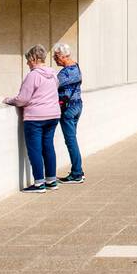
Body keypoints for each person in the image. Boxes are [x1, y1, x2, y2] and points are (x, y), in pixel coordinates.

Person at [4, 44, 61, 192]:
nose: (28, 63)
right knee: (48, 147)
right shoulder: (53, 74)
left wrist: (9, 100)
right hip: (53, 115)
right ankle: (51, 181)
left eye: (28, 60)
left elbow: (22, 99)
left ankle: (39, 184)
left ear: (34, 58)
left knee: (35, 149)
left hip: (35, 118)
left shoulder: (33, 75)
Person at [53, 43, 85, 184]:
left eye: (55, 57)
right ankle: (78, 171)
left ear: (62, 56)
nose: (54, 59)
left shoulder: (66, 73)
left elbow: (51, 85)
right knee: (72, 140)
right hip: (78, 105)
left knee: (71, 141)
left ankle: (77, 173)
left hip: (68, 109)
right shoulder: (76, 66)